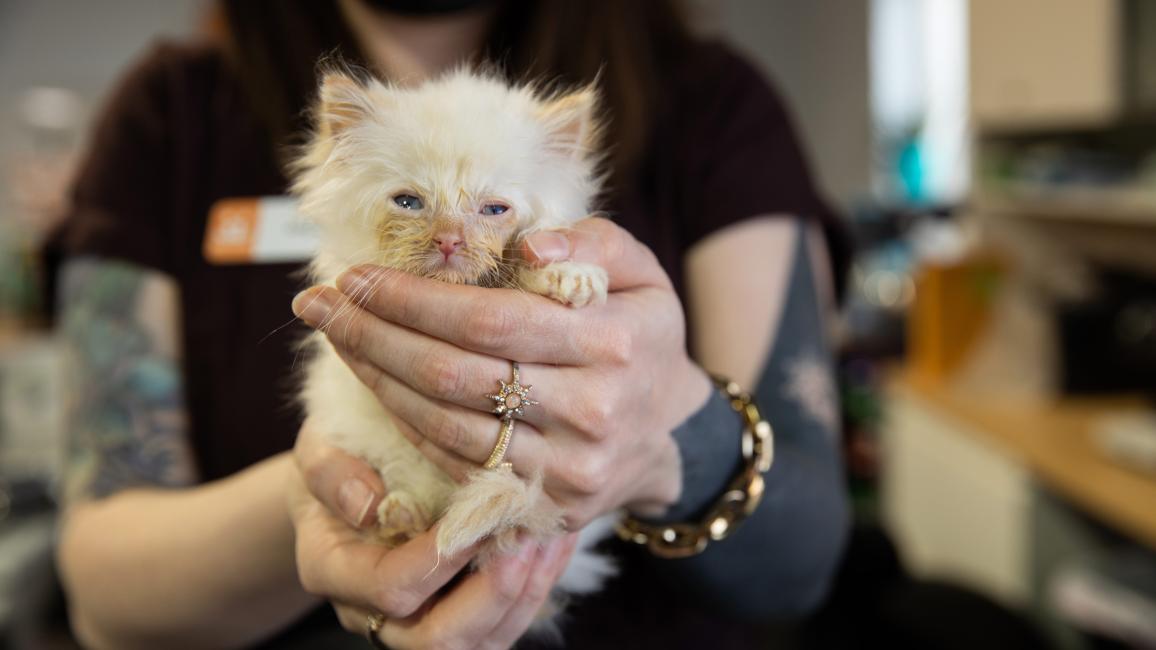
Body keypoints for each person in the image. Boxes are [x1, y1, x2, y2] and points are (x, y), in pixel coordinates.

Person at [50, 0, 852, 647]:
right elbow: (104, 598)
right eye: (409, 203)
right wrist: (321, 501)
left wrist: (667, 436)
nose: (449, 237)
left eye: (493, 210)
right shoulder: (172, 111)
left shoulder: (716, 103)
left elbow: (804, 554)